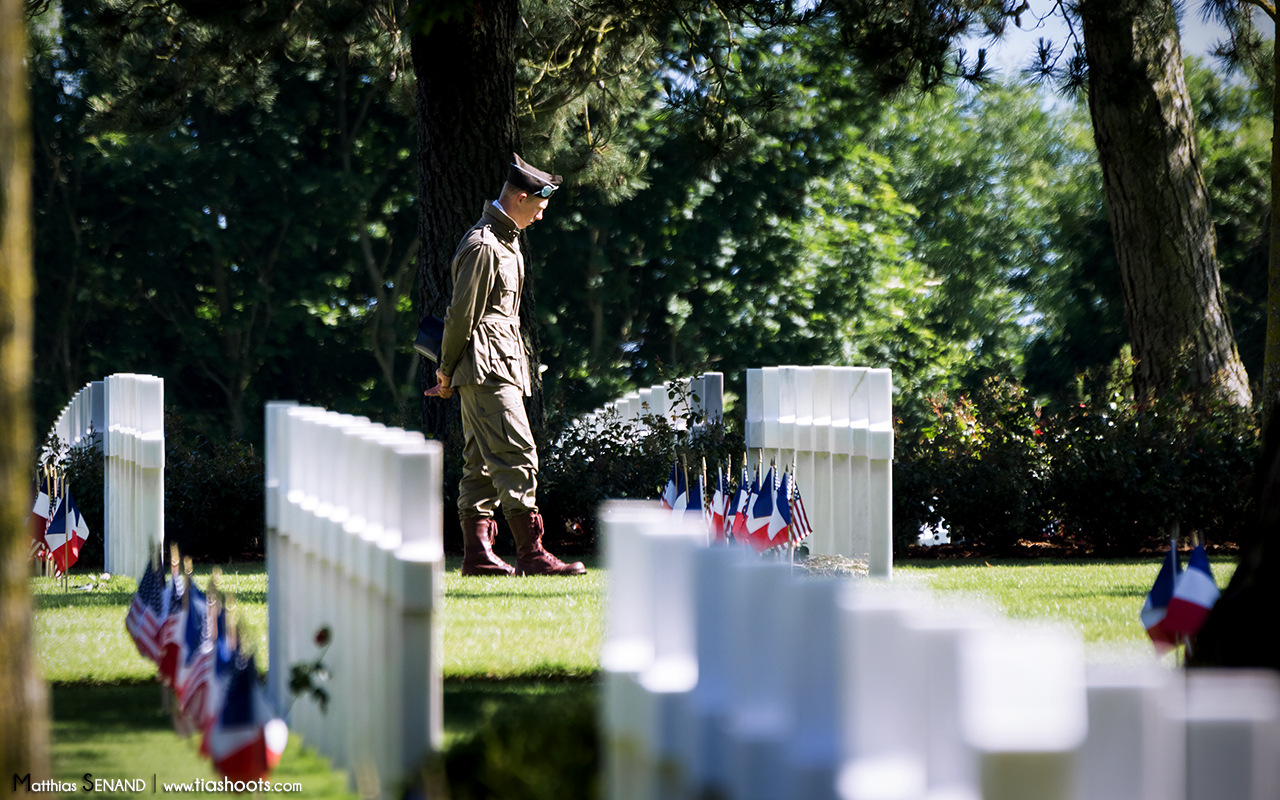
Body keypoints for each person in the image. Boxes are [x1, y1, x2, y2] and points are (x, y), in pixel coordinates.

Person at [429, 153, 585, 577]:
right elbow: (462, 315)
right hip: (487, 367)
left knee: (480, 462)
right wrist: (446, 369)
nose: (540, 215)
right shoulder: (484, 244)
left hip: (498, 363)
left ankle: (478, 556)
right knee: (518, 453)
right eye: (538, 206)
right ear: (520, 197)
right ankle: (532, 554)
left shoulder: (506, 240)